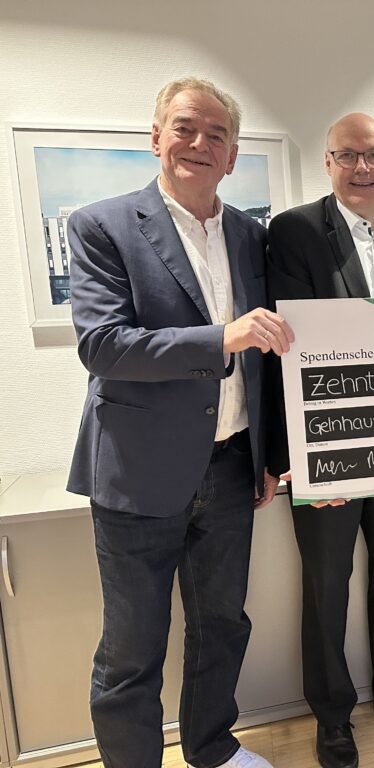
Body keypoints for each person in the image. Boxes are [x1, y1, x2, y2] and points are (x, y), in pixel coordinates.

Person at [67, 77, 292, 768]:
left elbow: (268, 361)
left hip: (231, 467)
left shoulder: (253, 236)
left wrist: (269, 455)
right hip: (138, 473)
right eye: (186, 128)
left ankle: (212, 748)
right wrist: (223, 337)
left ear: (232, 156)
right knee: (132, 647)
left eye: (217, 135)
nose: (200, 143)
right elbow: (103, 346)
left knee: (222, 625)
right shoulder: (101, 225)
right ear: (156, 137)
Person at [264, 113, 374, 768]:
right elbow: (284, 351)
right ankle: (332, 714)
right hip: (328, 443)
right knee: (327, 584)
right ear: (328, 162)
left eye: (373, 156)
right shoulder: (293, 232)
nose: (362, 167)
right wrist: (297, 456)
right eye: (348, 155)